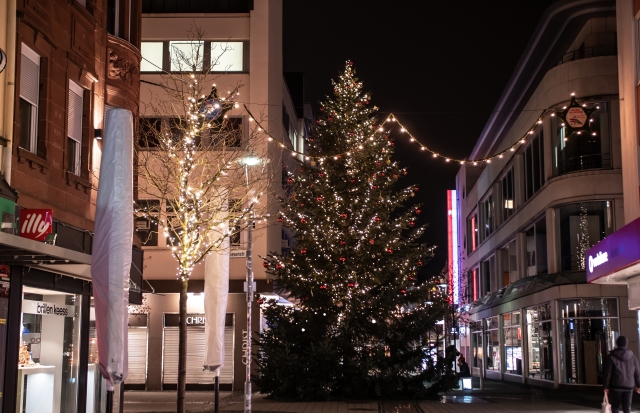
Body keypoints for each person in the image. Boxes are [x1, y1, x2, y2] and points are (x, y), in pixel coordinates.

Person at [603, 336, 640, 413]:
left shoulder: (611, 357)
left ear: (617, 343)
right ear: (626, 344)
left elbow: (608, 373)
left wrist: (606, 386)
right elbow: (637, 373)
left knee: (615, 408)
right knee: (627, 409)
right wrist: (638, 385)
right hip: (629, 387)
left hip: (615, 386)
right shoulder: (633, 357)